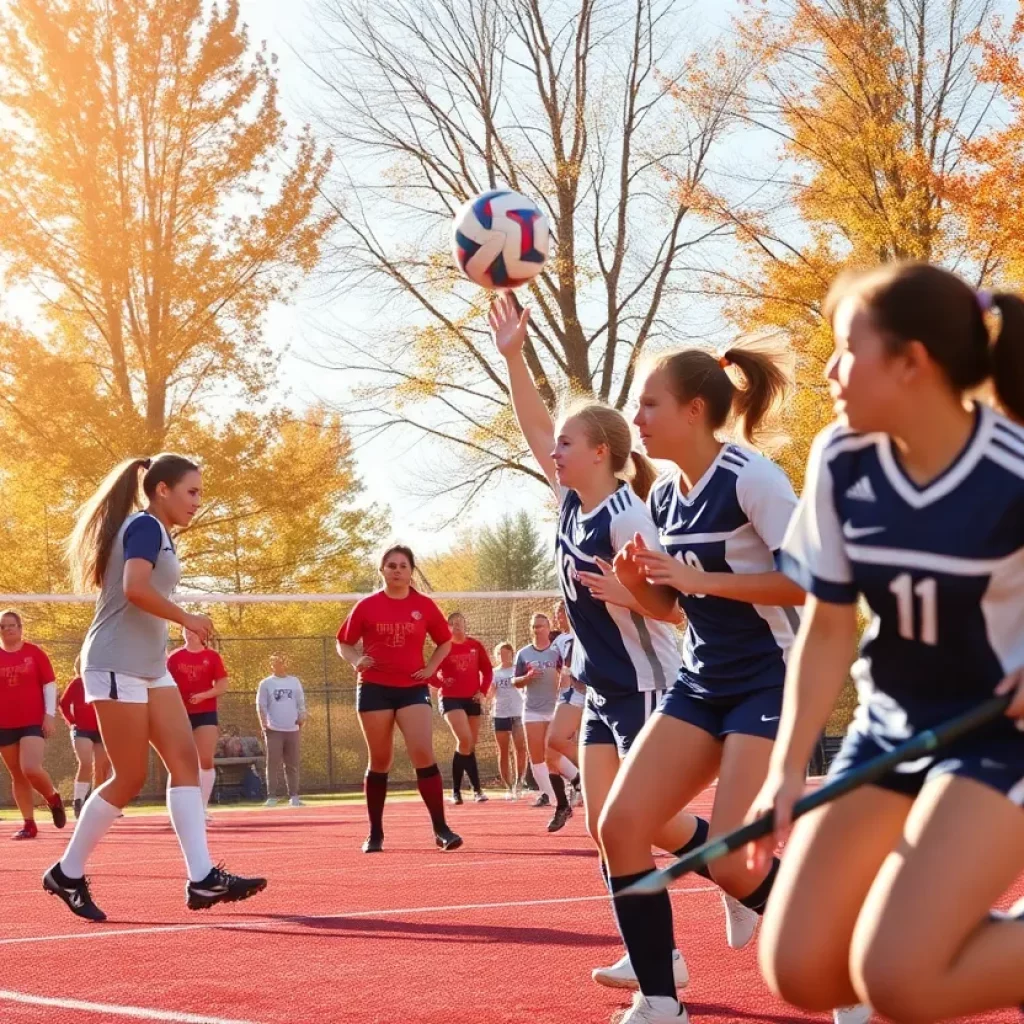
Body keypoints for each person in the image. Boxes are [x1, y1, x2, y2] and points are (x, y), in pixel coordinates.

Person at [746, 263, 1024, 1024]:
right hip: (891, 730)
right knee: (801, 970)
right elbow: (830, 625)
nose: (830, 371)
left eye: (846, 350)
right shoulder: (841, 459)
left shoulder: (1014, 471)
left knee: (899, 978)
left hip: (1000, 740)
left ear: (910, 363)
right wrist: (784, 773)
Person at [491, 293, 698, 993]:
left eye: (568, 444)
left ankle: (743, 874)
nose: (555, 450)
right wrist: (514, 354)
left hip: (643, 681)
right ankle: (657, 960)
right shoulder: (572, 501)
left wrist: (627, 593)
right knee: (608, 830)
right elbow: (533, 423)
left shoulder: (625, 515)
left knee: (642, 825)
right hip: (605, 685)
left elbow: (674, 610)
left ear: (602, 453)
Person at [602, 332, 811, 1024]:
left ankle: (837, 953)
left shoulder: (753, 477)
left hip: (770, 679)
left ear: (694, 409)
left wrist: (701, 579)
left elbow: (809, 585)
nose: (638, 419)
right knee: (623, 824)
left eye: (649, 404)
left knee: (730, 862)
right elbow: (673, 607)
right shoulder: (662, 498)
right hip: (703, 681)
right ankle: (660, 1000)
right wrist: (640, 586)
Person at [43, 454, 265, 922]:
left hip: (149, 665)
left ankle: (202, 878)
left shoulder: (160, 533)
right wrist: (187, 617)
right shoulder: (144, 527)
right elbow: (134, 589)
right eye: (192, 491)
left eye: (200, 492)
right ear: (161, 489)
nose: (197, 501)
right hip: (115, 662)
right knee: (129, 777)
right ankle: (67, 872)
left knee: (186, 762)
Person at [336, 544, 462, 854]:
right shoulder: (366, 606)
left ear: (410, 571)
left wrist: (431, 668)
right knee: (380, 760)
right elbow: (344, 643)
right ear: (382, 570)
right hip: (374, 687)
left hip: (411, 687)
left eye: (402, 565)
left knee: (422, 751)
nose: (396, 570)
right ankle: (375, 833)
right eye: (391, 565)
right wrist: (355, 660)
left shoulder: (424, 606)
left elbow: (444, 642)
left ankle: (441, 828)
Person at [0, 609, 66, 839]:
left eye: (12, 625)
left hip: (31, 720)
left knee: (30, 768)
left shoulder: (34, 653)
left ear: (20, 628)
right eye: (3, 626)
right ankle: (29, 824)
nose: (8, 629)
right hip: (4, 723)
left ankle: (53, 798)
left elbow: (49, 684)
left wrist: (49, 715)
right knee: (17, 774)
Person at [168, 628, 229, 817]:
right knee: (179, 762)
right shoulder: (174, 657)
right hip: (179, 713)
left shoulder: (212, 656)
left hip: (206, 712)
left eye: (193, 631)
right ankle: (178, 810)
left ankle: (201, 807)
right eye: (186, 630)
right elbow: (165, 684)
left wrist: (204, 695)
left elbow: (222, 685)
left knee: (205, 759)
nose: (189, 633)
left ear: (202, 634)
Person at [513, 613, 567, 823]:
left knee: (553, 753)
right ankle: (553, 797)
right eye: (534, 627)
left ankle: (574, 785)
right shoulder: (524, 654)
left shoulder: (557, 653)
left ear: (548, 627)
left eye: (541, 626)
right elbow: (515, 681)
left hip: (556, 708)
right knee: (536, 756)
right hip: (532, 709)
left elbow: (567, 674)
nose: (537, 630)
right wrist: (526, 678)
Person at [434, 612, 492, 804]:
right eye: (452, 624)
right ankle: (459, 791)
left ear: (465, 625)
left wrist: (482, 691)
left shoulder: (475, 645)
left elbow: (488, 670)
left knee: (468, 745)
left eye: (459, 623)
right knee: (464, 739)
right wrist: (442, 681)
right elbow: (430, 672)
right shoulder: (444, 647)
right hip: (451, 699)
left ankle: (472, 791)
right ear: (447, 627)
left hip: (472, 698)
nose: (456, 626)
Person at [59, 657, 110, 818]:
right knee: (86, 763)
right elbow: (63, 703)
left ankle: (97, 802)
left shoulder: (105, 682)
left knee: (101, 767)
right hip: (82, 730)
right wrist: (72, 721)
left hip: (101, 730)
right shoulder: (77, 683)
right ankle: (78, 801)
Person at [256, 654, 306, 808]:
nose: (278, 665)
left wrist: (302, 717)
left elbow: (300, 701)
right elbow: (260, 705)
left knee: (292, 764)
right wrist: (264, 723)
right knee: (272, 763)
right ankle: (271, 796)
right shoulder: (266, 683)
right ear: (271, 665)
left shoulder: (294, 681)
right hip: (273, 729)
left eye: (281, 662)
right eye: (275, 663)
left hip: (292, 728)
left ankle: (294, 796)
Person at [547, 600, 583, 805]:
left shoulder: (581, 630)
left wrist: (567, 672)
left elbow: (572, 660)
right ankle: (581, 780)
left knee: (560, 741)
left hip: (582, 693)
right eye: (557, 612)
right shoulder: (558, 640)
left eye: (562, 611)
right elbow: (553, 664)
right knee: (552, 745)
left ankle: (586, 778)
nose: (559, 615)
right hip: (565, 695)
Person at [490, 641, 527, 798]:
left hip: (518, 713)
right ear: (496, 656)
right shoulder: (494, 673)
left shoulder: (517, 670)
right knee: (503, 751)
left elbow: (526, 686)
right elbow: (490, 692)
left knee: (520, 748)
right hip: (500, 714)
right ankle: (508, 785)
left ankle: (519, 782)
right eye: (500, 654)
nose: (504, 657)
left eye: (507, 653)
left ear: (512, 654)